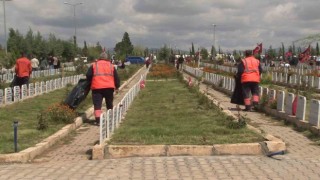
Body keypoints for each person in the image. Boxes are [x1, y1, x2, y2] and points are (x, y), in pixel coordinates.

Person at [86, 52, 120, 125]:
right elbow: (116, 77)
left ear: (99, 57)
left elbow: (88, 75)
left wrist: (90, 82)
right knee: (109, 103)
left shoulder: (94, 65)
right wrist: (117, 87)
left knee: (97, 105)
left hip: (97, 87)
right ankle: (110, 119)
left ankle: (98, 121)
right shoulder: (111, 66)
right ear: (106, 58)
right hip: (109, 87)